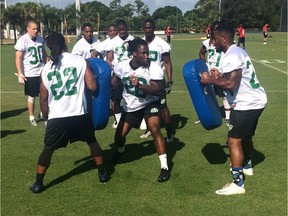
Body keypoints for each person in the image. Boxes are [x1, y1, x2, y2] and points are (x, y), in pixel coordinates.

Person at [29, 32, 110, 194]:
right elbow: (93, 87)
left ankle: (38, 183)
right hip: (79, 113)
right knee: (92, 141)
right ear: (65, 44)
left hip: (57, 117)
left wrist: (46, 119)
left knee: (48, 149)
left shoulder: (46, 69)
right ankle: (102, 174)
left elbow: (43, 100)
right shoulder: (80, 61)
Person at [200, 23, 267, 195]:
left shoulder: (232, 55)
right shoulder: (236, 52)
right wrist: (219, 77)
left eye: (215, 38)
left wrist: (210, 80)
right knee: (245, 136)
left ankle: (237, 184)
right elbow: (230, 80)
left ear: (223, 38)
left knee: (233, 140)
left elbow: (230, 84)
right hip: (254, 100)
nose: (212, 42)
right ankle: (247, 165)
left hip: (247, 103)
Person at [111, 38, 170, 182]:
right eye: (143, 53)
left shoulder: (153, 67)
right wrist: (114, 84)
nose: (147, 56)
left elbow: (158, 89)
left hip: (150, 103)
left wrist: (140, 86)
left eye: (148, 53)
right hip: (131, 106)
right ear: (134, 54)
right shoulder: (122, 66)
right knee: (118, 138)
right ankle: (121, 151)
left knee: (154, 128)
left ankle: (164, 167)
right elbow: (115, 79)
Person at [140, 18, 174, 142]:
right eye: (145, 27)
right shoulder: (140, 42)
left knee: (163, 106)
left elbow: (167, 62)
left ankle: (169, 131)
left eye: (150, 27)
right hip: (144, 79)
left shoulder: (162, 44)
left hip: (157, 80)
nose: (147, 30)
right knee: (145, 104)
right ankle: (150, 128)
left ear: (154, 28)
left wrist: (169, 81)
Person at [14, 20, 47, 126]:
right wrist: (20, 73)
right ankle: (31, 117)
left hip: (41, 71)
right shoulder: (22, 40)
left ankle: (43, 114)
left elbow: (44, 53)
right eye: (33, 29)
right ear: (28, 29)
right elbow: (18, 58)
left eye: (37, 28)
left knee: (44, 95)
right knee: (32, 96)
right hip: (30, 73)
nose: (36, 31)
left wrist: (48, 67)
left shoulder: (41, 39)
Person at [198, 21, 231, 126]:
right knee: (206, 94)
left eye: (217, 29)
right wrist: (205, 66)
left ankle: (228, 118)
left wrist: (224, 69)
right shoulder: (207, 42)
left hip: (220, 72)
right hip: (209, 72)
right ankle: (205, 115)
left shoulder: (225, 42)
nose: (215, 31)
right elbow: (201, 53)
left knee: (224, 95)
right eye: (214, 29)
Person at [106, 19, 135, 129]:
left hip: (131, 73)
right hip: (118, 74)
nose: (122, 31)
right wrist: (111, 75)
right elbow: (109, 59)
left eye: (124, 29)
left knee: (134, 97)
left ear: (127, 29)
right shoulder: (112, 42)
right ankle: (118, 120)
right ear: (117, 30)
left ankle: (137, 119)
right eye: (120, 29)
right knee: (116, 99)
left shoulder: (132, 40)